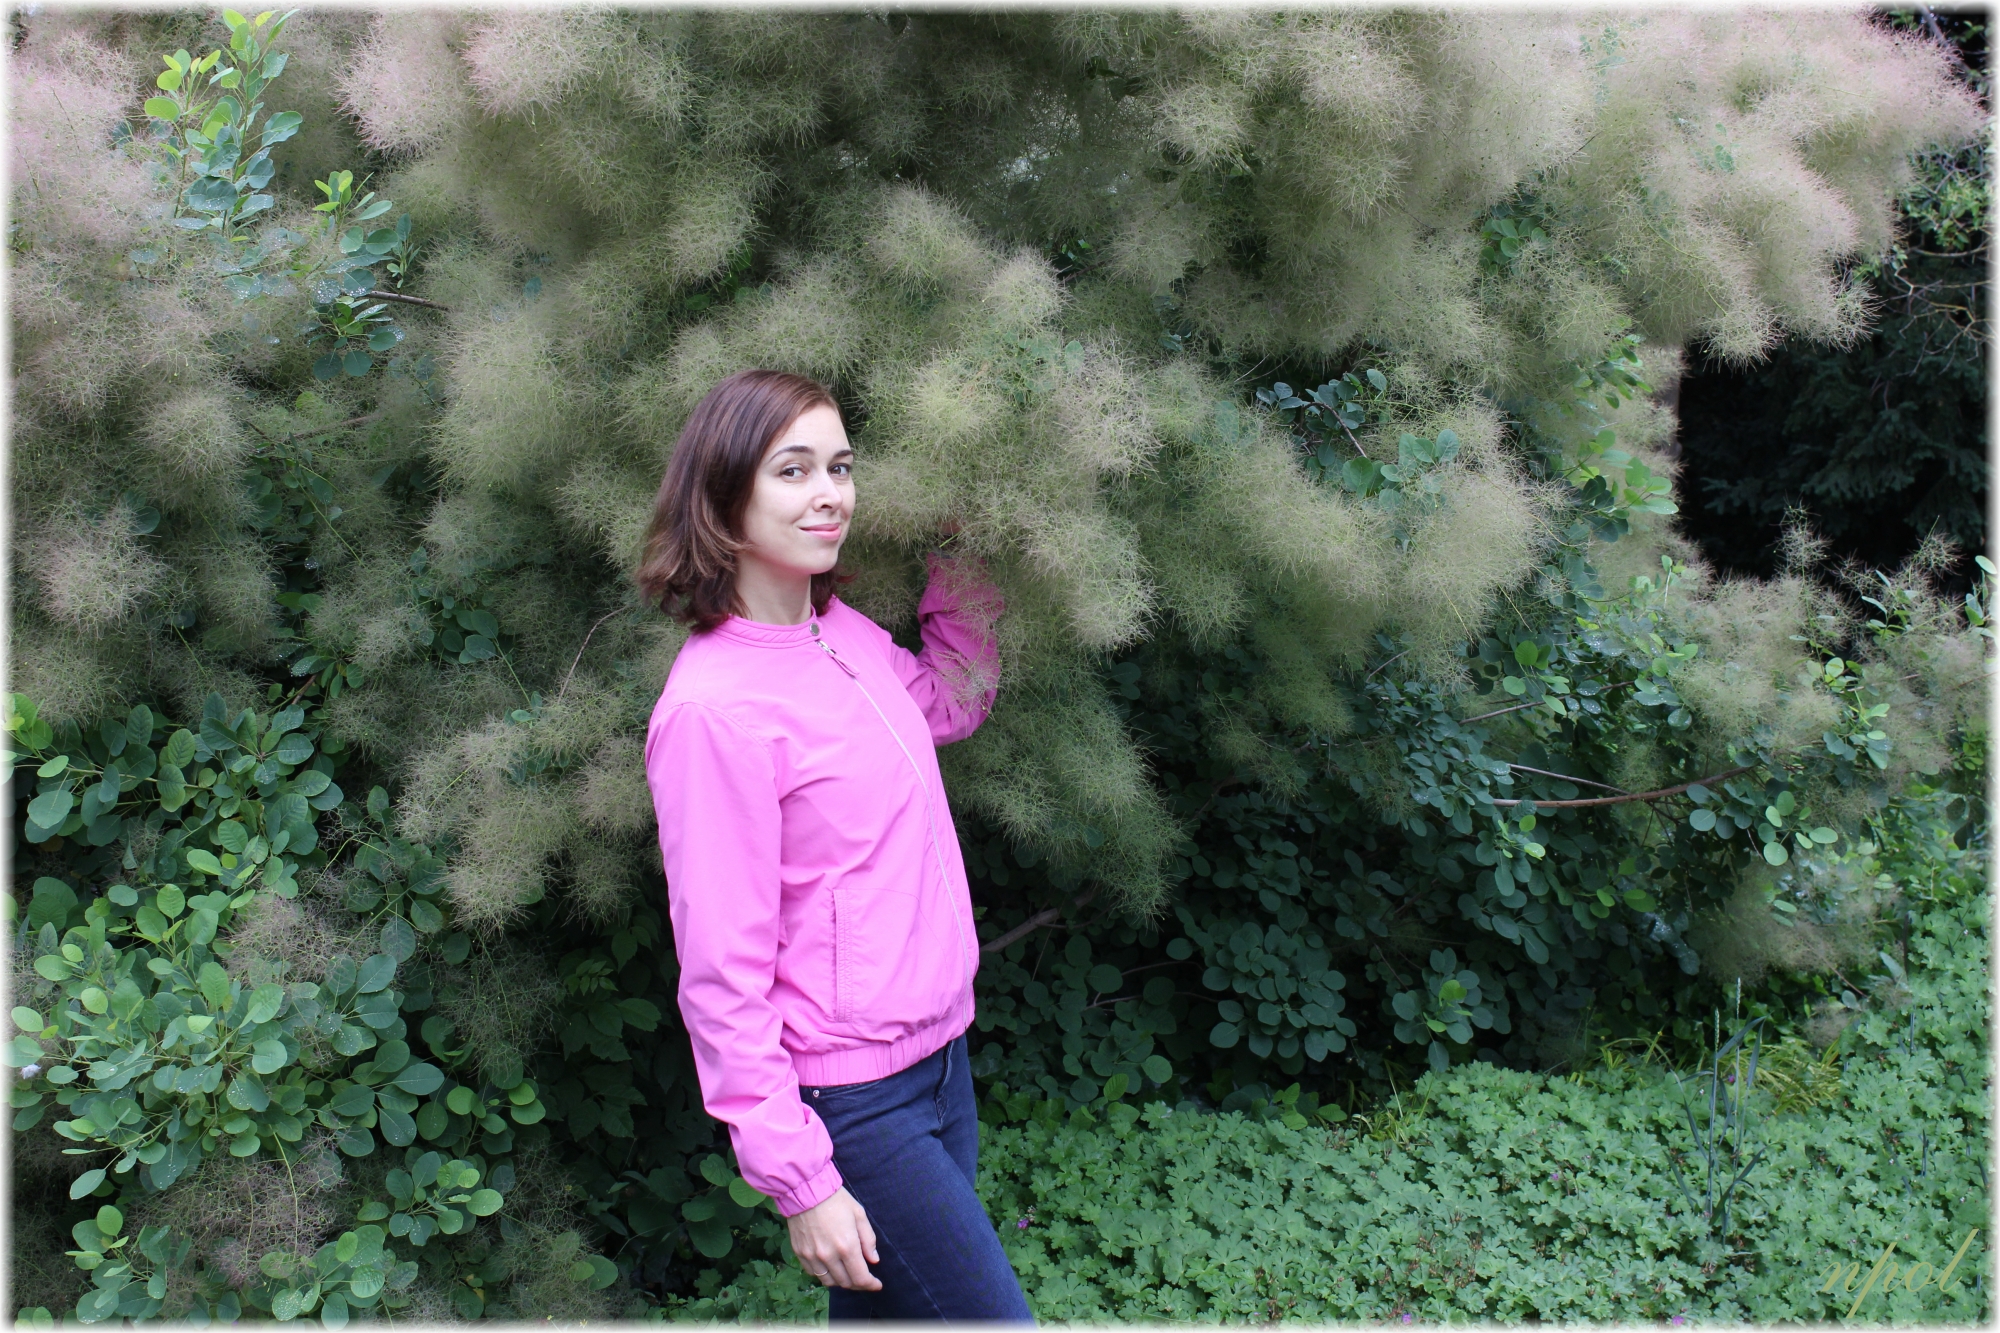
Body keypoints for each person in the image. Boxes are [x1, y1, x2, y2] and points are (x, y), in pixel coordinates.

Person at [635, 368, 1034, 1322]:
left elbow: (948, 701)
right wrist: (801, 1179)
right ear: (723, 497)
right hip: (855, 1104)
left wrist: (965, 551)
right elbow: (721, 978)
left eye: (841, 467)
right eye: (794, 470)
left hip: (941, 1062)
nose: (830, 493)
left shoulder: (839, 635)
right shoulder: (712, 712)